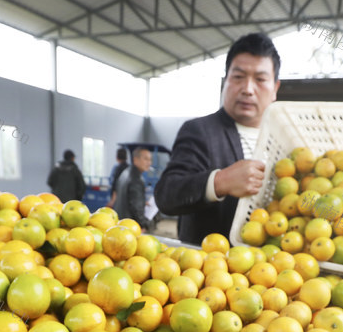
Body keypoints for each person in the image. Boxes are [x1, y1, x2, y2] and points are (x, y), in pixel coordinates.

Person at [156, 33, 280, 245]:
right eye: (238, 77)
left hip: (276, 271)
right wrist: (220, 181)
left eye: (260, 80)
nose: (248, 89)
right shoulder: (200, 131)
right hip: (213, 271)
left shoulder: (285, 141)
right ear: (226, 81)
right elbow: (167, 194)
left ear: (275, 88)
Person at [113, 147, 153, 230]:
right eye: (146, 159)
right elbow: (136, 208)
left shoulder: (126, 172)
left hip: (120, 221)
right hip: (130, 226)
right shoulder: (136, 179)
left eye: (150, 160)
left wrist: (141, 201)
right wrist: (144, 224)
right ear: (135, 160)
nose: (149, 163)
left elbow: (127, 196)